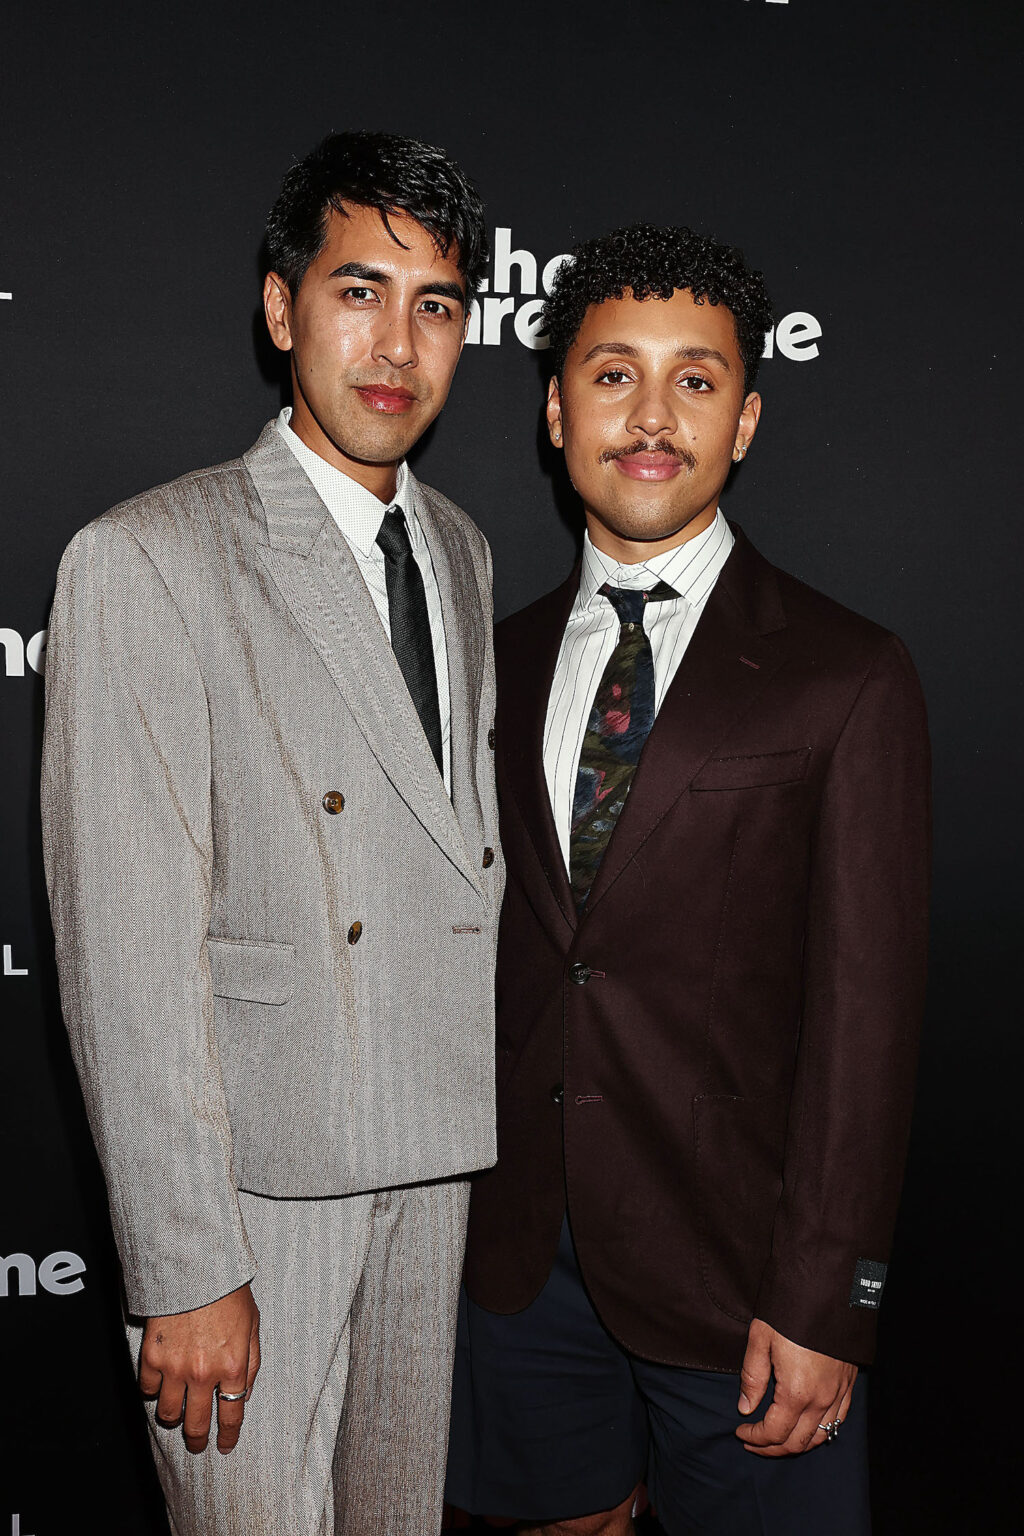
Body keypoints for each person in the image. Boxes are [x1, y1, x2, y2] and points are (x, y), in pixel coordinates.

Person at [41, 130, 502, 1536]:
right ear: (280, 305)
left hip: (432, 1166)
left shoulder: (465, 548)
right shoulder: (147, 559)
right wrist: (184, 1264)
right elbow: (125, 947)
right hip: (255, 1197)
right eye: (358, 290)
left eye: (434, 305)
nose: (396, 344)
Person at [446, 223, 930, 1535]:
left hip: (747, 1283)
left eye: (696, 381)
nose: (651, 417)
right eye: (612, 375)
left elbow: (868, 1022)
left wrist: (830, 1296)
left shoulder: (848, 672)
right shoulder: (485, 666)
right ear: (555, 410)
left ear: (747, 420)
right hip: (517, 1266)